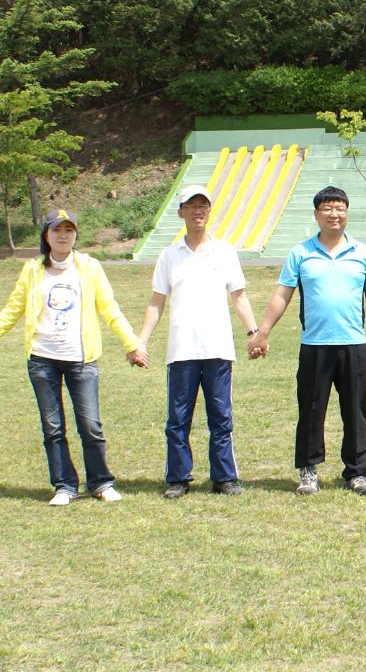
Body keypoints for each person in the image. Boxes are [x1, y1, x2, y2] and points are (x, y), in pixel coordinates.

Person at [0, 209, 146, 505]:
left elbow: (110, 309)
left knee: (90, 424)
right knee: (53, 427)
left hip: (81, 359)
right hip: (42, 359)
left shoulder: (89, 267)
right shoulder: (32, 269)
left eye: (69, 230)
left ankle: (100, 483)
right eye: (56, 230)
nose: (63, 235)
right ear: (46, 235)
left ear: (75, 235)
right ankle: (65, 486)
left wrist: (132, 344)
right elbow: (12, 311)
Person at [248, 186, 366, 496]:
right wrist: (263, 332)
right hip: (314, 345)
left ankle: (356, 472)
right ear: (316, 214)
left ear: (347, 213)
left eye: (340, 208)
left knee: (355, 410)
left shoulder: (362, 253)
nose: (334, 214)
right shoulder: (301, 253)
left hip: (353, 344)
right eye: (327, 208)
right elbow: (282, 294)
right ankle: (308, 471)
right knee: (311, 409)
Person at [136, 186, 259, 498]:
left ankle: (224, 477)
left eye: (202, 205)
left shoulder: (225, 252)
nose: (197, 211)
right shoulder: (169, 255)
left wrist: (253, 332)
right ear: (180, 213)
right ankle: (178, 478)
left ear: (209, 210)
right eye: (190, 206)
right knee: (178, 419)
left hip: (217, 348)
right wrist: (141, 341)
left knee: (221, 417)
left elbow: (239, 296)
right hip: (181, 350)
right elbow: (156, 301)